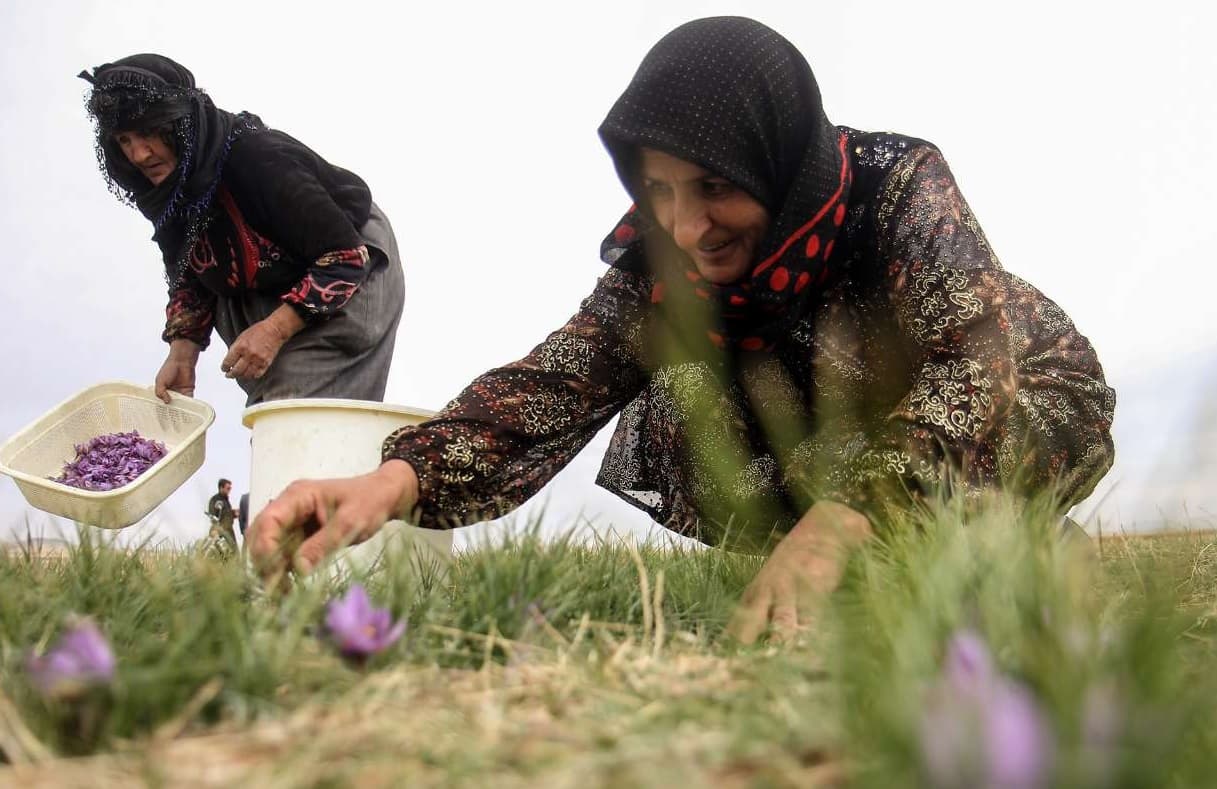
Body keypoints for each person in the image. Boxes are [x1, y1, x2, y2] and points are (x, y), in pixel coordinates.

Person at [250, 17, 1115, 642]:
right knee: (694, 395)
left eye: (714, 185)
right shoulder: (661, 270)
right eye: (657, 192)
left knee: (941, 523)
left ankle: (1017, 542)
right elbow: (546, 387)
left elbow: (973, 364)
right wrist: (390, 481)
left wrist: (846, 519)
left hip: (1016, 391)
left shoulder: (894, 185)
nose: (687, 226)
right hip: (840, 442)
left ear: (776, 159)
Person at [79, 54, 404, 405]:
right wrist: (182, 354)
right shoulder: (167, 186)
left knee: (292, 403)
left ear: (178, 123)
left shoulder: (258, 160)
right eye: (125, 141)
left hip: (349, 262)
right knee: (272, 402)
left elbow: (345, 257)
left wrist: (275, 329)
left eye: (148, 134)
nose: (140, 154)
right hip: (262, 275)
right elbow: (190, 267)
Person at [206, 478, 236, 550]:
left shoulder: (226, 501)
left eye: (230, 488)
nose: (229, 490)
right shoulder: (215, 499)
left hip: (229, 530)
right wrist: (216, 529)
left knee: (234, 553)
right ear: (221, 488)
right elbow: (212, 515)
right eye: (228, 488)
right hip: (220, 530)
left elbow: (226, 514)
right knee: (222, 553)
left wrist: (234, 513)